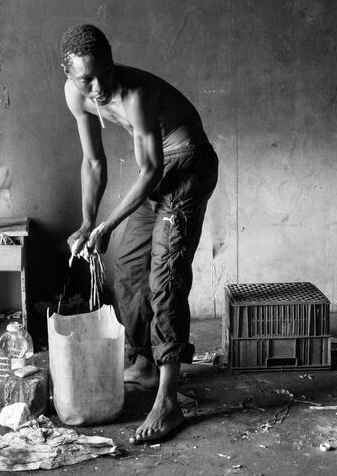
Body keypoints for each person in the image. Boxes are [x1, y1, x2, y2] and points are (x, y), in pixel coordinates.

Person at [60, 23, 218, 443]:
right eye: (86, 79)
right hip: (160, 170)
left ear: (113, 61)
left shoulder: (136, 94)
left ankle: (168, 401)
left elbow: (149, 170)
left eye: (104, 73)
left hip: (188, 163)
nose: (98, 87)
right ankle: (145, 363)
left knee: (164, 277)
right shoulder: (76, 94)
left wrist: (108, 224)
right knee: (129, 269)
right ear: (69, 75)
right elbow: (93, 163)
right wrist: (87, 222)